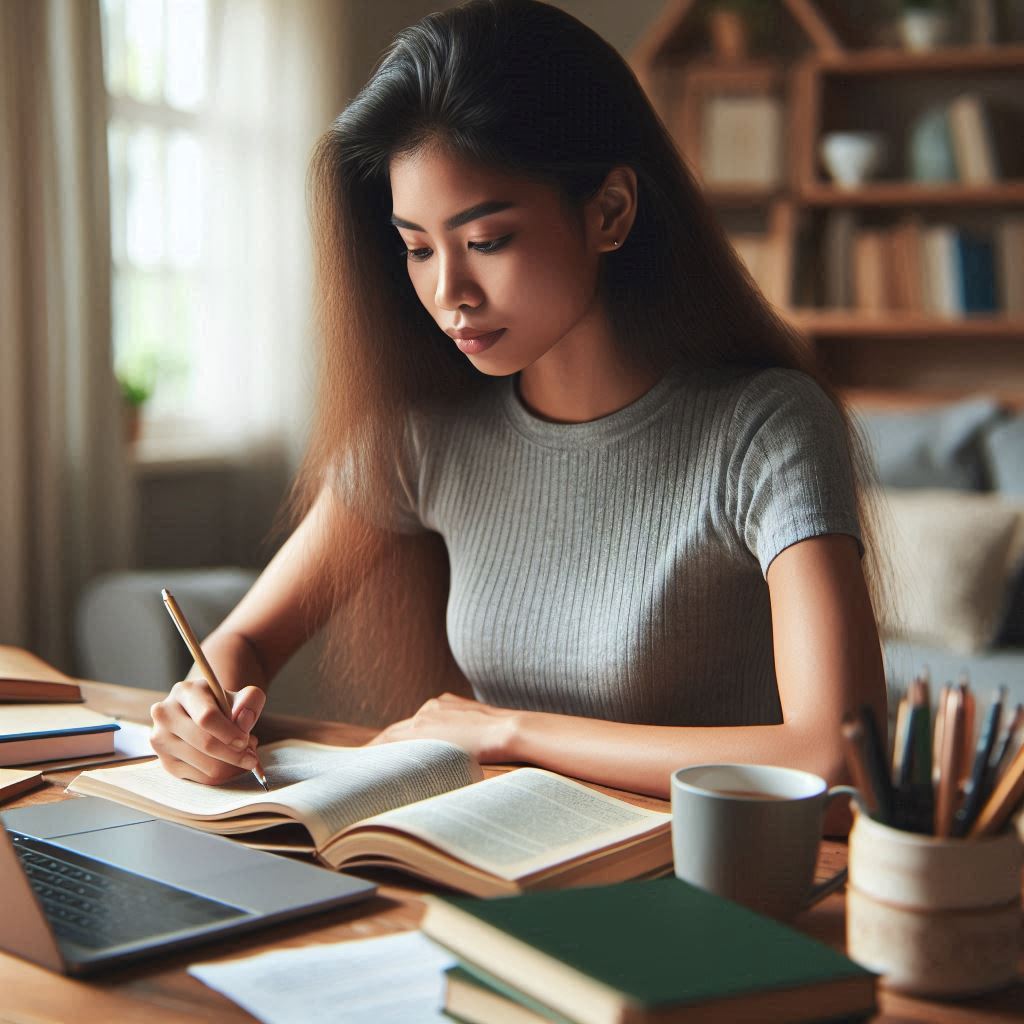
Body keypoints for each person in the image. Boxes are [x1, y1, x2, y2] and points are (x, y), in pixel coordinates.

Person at [149, 0, 887, 805]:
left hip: (705, 884)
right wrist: (203, 704)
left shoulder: (767, 429)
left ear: (609, 212)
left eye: (486, 242)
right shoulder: (425, 435)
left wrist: (508, 730)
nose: (448, 293)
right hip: (502, 856)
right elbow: (247, 637)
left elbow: (835, 754)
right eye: (417, 248)